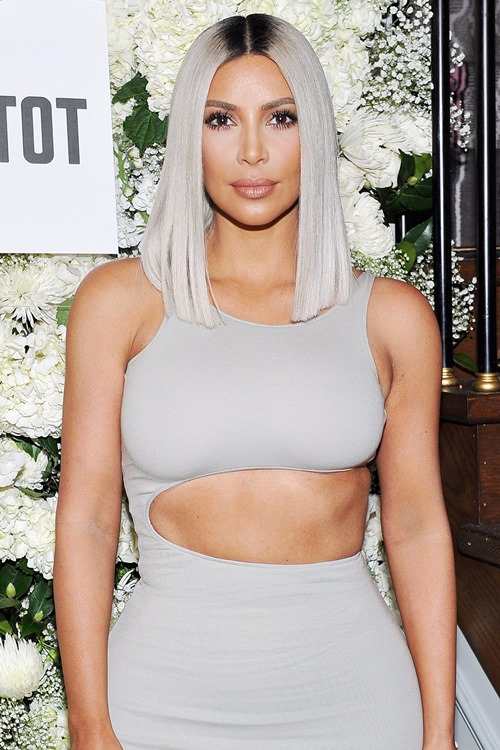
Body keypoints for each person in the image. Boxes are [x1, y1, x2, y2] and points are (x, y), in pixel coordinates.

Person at [54, 13, 457, 750]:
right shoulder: (119, 304)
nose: (251, 151)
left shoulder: (392, 318)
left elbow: (415, 524)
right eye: (220, 119)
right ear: (189, 136)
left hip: (356, 698)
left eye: (281, 117)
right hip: (159, 698)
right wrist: (89, 725)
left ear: (315, 131)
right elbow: (86, 522)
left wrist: (439, 734)